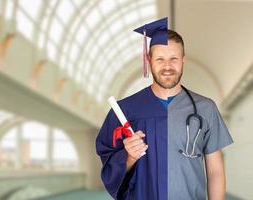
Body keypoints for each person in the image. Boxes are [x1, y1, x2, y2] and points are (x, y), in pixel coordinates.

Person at [95, 17, 233, 200]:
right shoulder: (125, 110)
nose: (167, 66)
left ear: (183, 60)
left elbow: (215, 171)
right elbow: (108, 164)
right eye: (160, 59)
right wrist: (128, 157)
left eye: (174, 58)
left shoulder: (205, 108)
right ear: (149, 60)